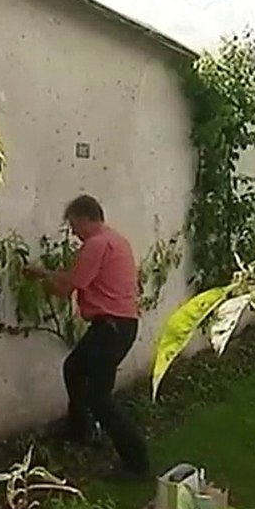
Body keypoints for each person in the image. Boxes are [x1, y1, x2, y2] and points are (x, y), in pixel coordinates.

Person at [24, 194, 151, 480]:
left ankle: (136, 461)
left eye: (73, 225)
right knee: (75, 368)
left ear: (86, 218)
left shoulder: (96, 244)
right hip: (119, 325)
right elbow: (77, 282)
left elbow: (70, 285)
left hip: (111, 327)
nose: (74, 232)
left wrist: (40, 275)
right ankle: (79, 429)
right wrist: (51, 279)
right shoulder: (115, 239)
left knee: (98, 396)